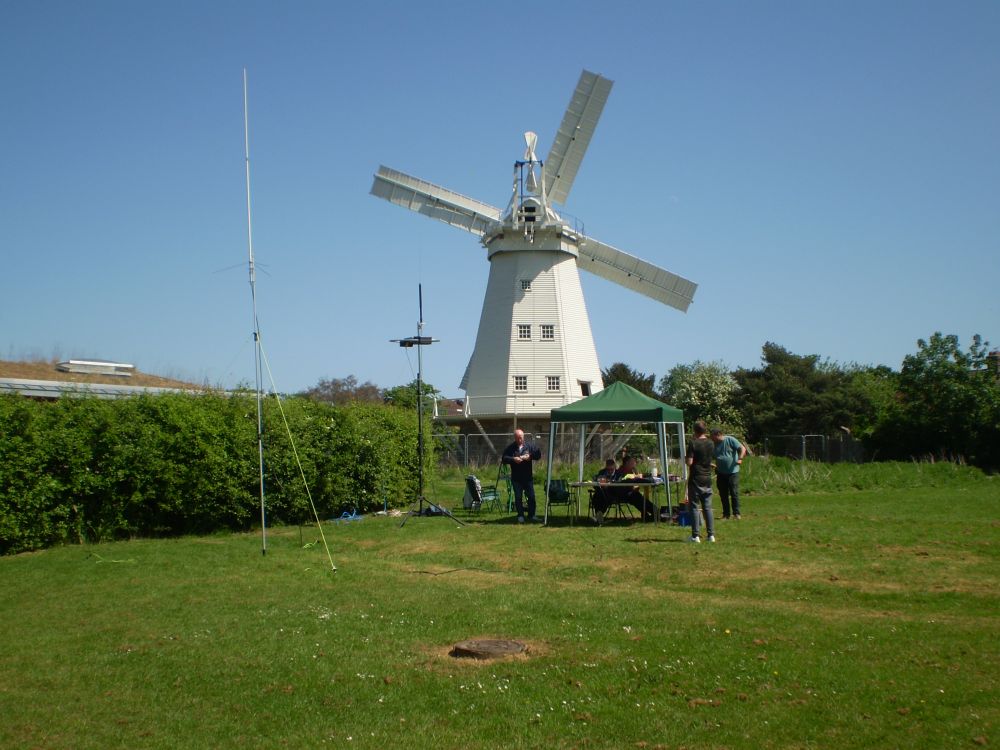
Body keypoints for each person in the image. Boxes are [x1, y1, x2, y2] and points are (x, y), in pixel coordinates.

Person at [502, 429, 542, 523]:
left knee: (531, 497)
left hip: (528, 477)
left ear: (523, 437)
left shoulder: (529, 446)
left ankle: (532, 515)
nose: (520, 439)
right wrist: (513, 459)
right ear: (515, 438)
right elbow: (504, 458)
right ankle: (520, 515)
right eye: (518, 438)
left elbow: (538, 454)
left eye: (521, 437)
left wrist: (530, 457)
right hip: (516, 478)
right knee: (518, 497)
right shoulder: (511, 447)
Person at [685, 421, 715, 543]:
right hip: (707, 477)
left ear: (694, 430)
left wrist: (686, 457)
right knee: (707, 507)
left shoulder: (693, 443)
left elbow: (689, 462)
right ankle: (711, 535)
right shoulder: (711, 442)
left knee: (694, 507)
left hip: (696, 477)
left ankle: (695, 536)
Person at [711, 428, 747, 519]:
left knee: (734, 492)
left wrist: (740, 458)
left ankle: (736, 513)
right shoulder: (713, 444)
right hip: (720, 473)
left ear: (718, 434)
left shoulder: (730, 440)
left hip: (732, 472)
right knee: (723, 494)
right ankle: (726, 514)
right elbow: (710, 457)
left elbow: (742, 448)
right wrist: (712, 464)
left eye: (713, 436)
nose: (712, 439)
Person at [610, 455, 656, 522]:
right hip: (622, 494)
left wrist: (636, 474)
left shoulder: (631, 470)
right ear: (627, 463)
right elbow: (624, 484)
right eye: (632, 462)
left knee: (639, 497)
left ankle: (651, 514)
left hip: (630, 493)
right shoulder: (621, 471)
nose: (634, 463)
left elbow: (634, 481)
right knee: (637, 497)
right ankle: (654, 513)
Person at [590, 458, 618, 523]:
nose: (610, 471)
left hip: (613, 493)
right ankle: (599, 516)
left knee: (600, 496)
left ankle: (597, 516)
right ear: (606, 467)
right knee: (599, 494)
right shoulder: (602, 472)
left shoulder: (618, 473)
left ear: (614, 467)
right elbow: (597, 481)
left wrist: (609, 484)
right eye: (608, 469)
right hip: (601, 492)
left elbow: (619, 484)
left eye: (612, 469)